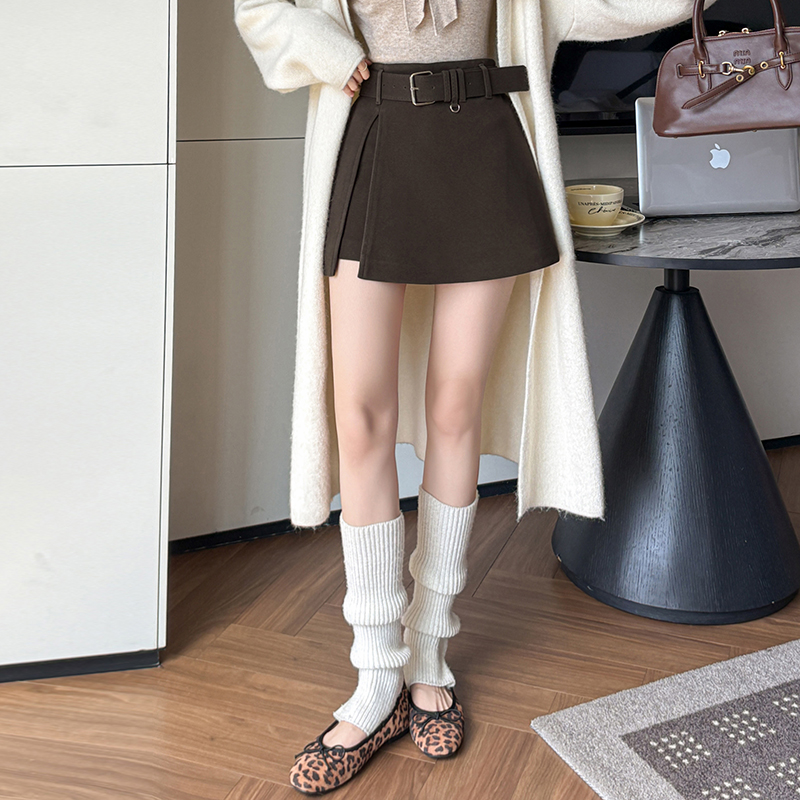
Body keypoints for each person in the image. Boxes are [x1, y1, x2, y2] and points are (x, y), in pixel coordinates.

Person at [233, 0, 716, 793]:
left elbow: (597, 4)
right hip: (373, 136)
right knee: (360, 415)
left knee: (455, 407)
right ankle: (376, 676)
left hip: (484, 145)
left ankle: (429, 658)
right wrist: (324, 47)